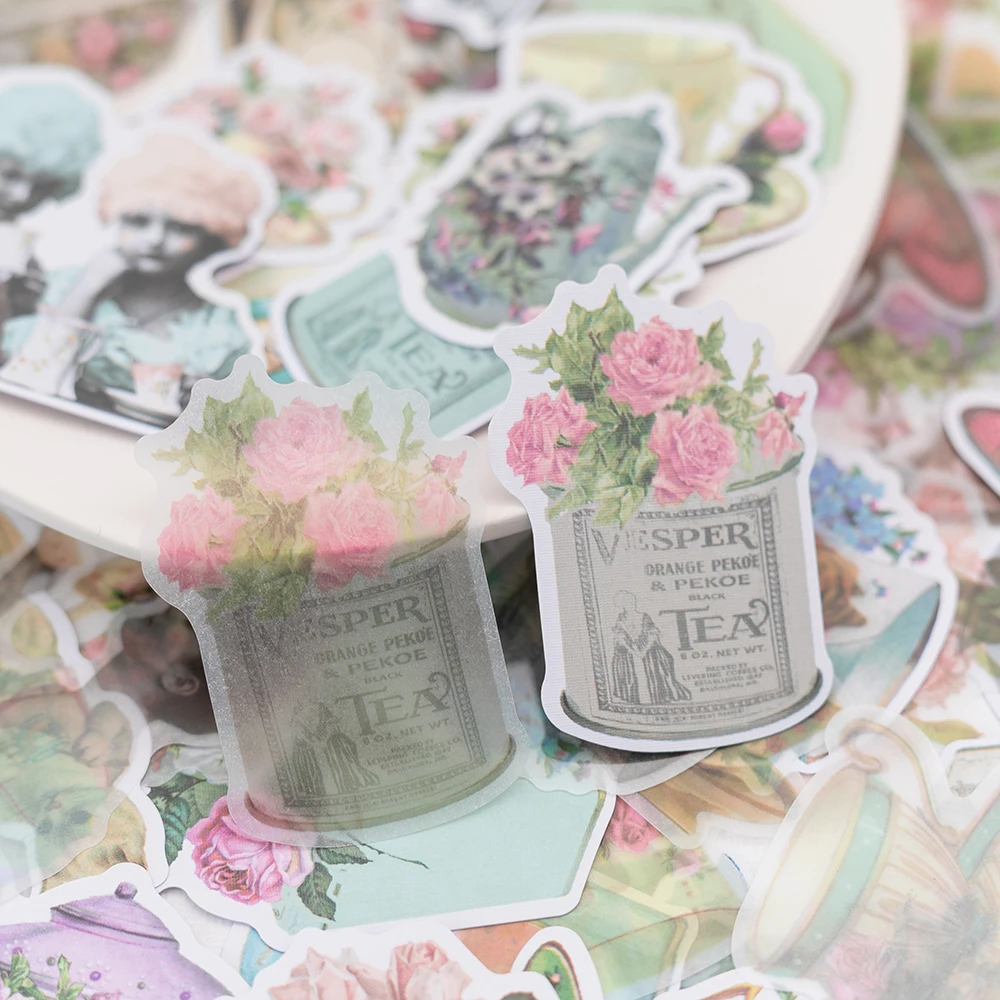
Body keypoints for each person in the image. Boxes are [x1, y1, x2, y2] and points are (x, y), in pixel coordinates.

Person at [0, 132, 262, 425]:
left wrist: (203, 402)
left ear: (211, 237)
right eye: (138, 222)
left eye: (180, 228)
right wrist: (86, 291)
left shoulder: (218, 328)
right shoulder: (65, 285)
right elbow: (24, 377)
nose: (155, 239)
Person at [0, 77, 103, 321]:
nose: (21, 196)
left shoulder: (20, 259)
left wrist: (20, 306)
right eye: (10, 175)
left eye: (42, 187)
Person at [611, 591, 692, 706]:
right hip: (630, 653)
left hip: (649, 652)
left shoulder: (644, 616)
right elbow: (620, 637)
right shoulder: (620, 618)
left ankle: (659, 696)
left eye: (633, 601)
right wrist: (633, 650)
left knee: (661, 662)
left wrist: (643, 651)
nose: (633, 603)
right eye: (629, 601)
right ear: (623, 604)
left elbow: (652, 635)